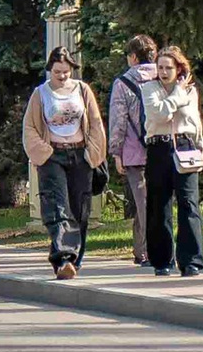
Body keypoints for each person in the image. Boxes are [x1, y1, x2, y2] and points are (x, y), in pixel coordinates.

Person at [23, 42, 103, 280]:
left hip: (80, 154)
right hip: (53, 155)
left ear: (72, 70)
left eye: (65, 72)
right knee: (58, 206)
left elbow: (96, 123)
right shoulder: (41, 93)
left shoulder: (82, 90)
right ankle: (64, 257)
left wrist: (93, 153)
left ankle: (71, 261)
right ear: (50, 70)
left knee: (80, 210)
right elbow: (29, 127)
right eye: (57, 72)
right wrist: (43, 152)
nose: (61, 76)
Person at [148, 45, 203, 279]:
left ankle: (192, 261)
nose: (163, 72)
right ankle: (162, 261)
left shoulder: (190, 91)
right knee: (158, 206)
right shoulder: (149, 89)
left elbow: (193, 120)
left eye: (168, 68)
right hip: (158, 147)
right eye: (160, 67)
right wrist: (177, 95)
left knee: (189, 203)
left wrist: (200, 144)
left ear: (179, 69)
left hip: (185, 147)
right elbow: (159, 114)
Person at [106, 34, 159, 260]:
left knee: (143, 203)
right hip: (161, 148)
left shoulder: (123, 83)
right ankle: (141, 249)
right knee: (155, 201)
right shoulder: (164, 76)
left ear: (134, 57)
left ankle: (148, 250)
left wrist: (116, 153)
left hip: (134, 152)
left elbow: (119, 121)